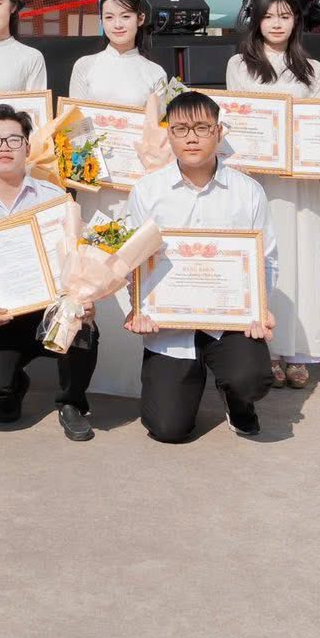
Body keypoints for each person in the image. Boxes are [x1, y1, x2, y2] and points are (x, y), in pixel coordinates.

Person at [126, 89, 278, 442]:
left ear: (218, 132)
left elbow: (266, 258)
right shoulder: (147, 191)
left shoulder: (248, 191)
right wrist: (138, 307)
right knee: (168, 429)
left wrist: (259, 307)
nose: (191, 138)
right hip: (169, 325)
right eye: (180, 129)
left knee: (251, 380)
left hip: (230, 322)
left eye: (201, 128)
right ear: (168, 135)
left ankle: (237, 399)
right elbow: (131, 260)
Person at [0, 104, 98, 442]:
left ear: (28, 147)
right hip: (0, 318)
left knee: (82, 325)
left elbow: (79, 260)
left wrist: (85, 298)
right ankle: (13, 388)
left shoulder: (55, 199)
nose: (4, 147)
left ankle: (72, 402)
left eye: (14, 139)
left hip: (53, 311)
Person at [225, 0, 320, 389]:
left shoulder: (314, 70)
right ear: (257, 21)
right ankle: (265, 348)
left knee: (300, 256)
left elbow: (319, 124)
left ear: (296, 20)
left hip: (299, 182)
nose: (277, 24)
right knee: (263, 257)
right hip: (257, 180)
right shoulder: (240, 65)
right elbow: (236, 120)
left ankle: (297, 351)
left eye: (285, 16)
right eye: (269, 16)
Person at [68, 0, 168, 106]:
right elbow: (75, 115)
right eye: (109, 17)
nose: (118, 25)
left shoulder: (156, 73)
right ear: (101, 21)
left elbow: (156, 118)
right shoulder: (84, 65)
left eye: (125, 16)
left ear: (140, 19)